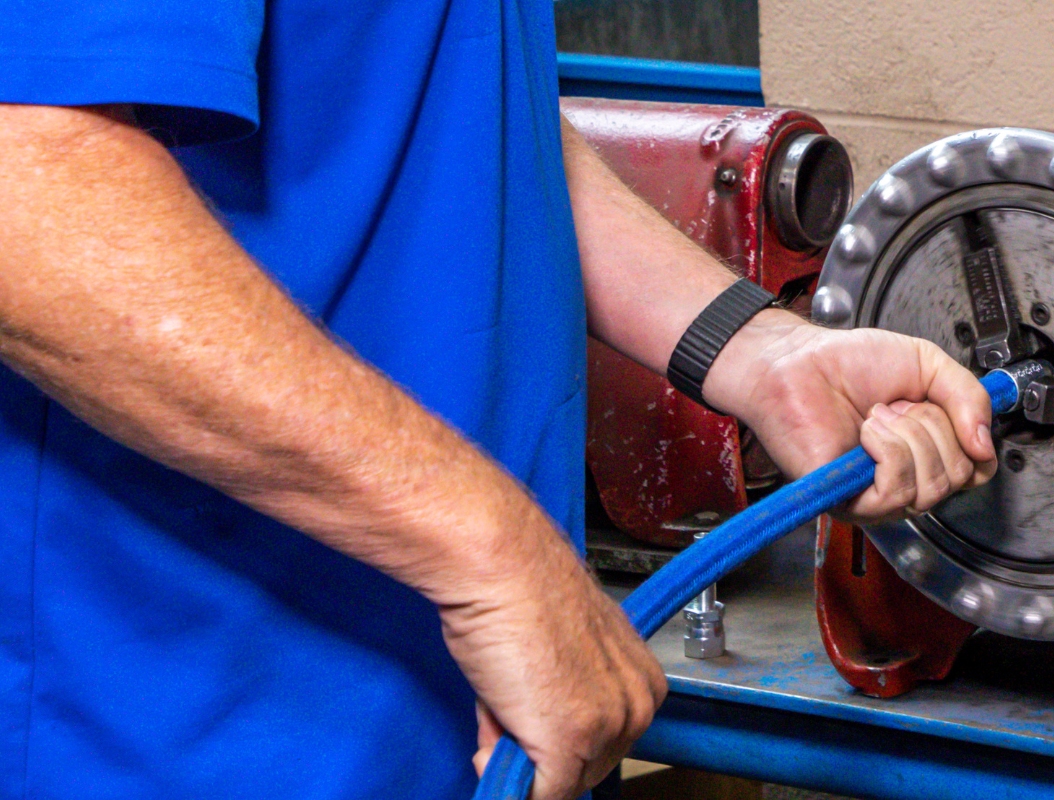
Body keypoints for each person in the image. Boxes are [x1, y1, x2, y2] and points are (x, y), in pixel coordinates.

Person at [0, 2, 996, 798]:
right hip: (176, 731)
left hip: (442, 712)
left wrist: (753, 348)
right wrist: (491, 551)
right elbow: (33, 191)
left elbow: (442, 97)